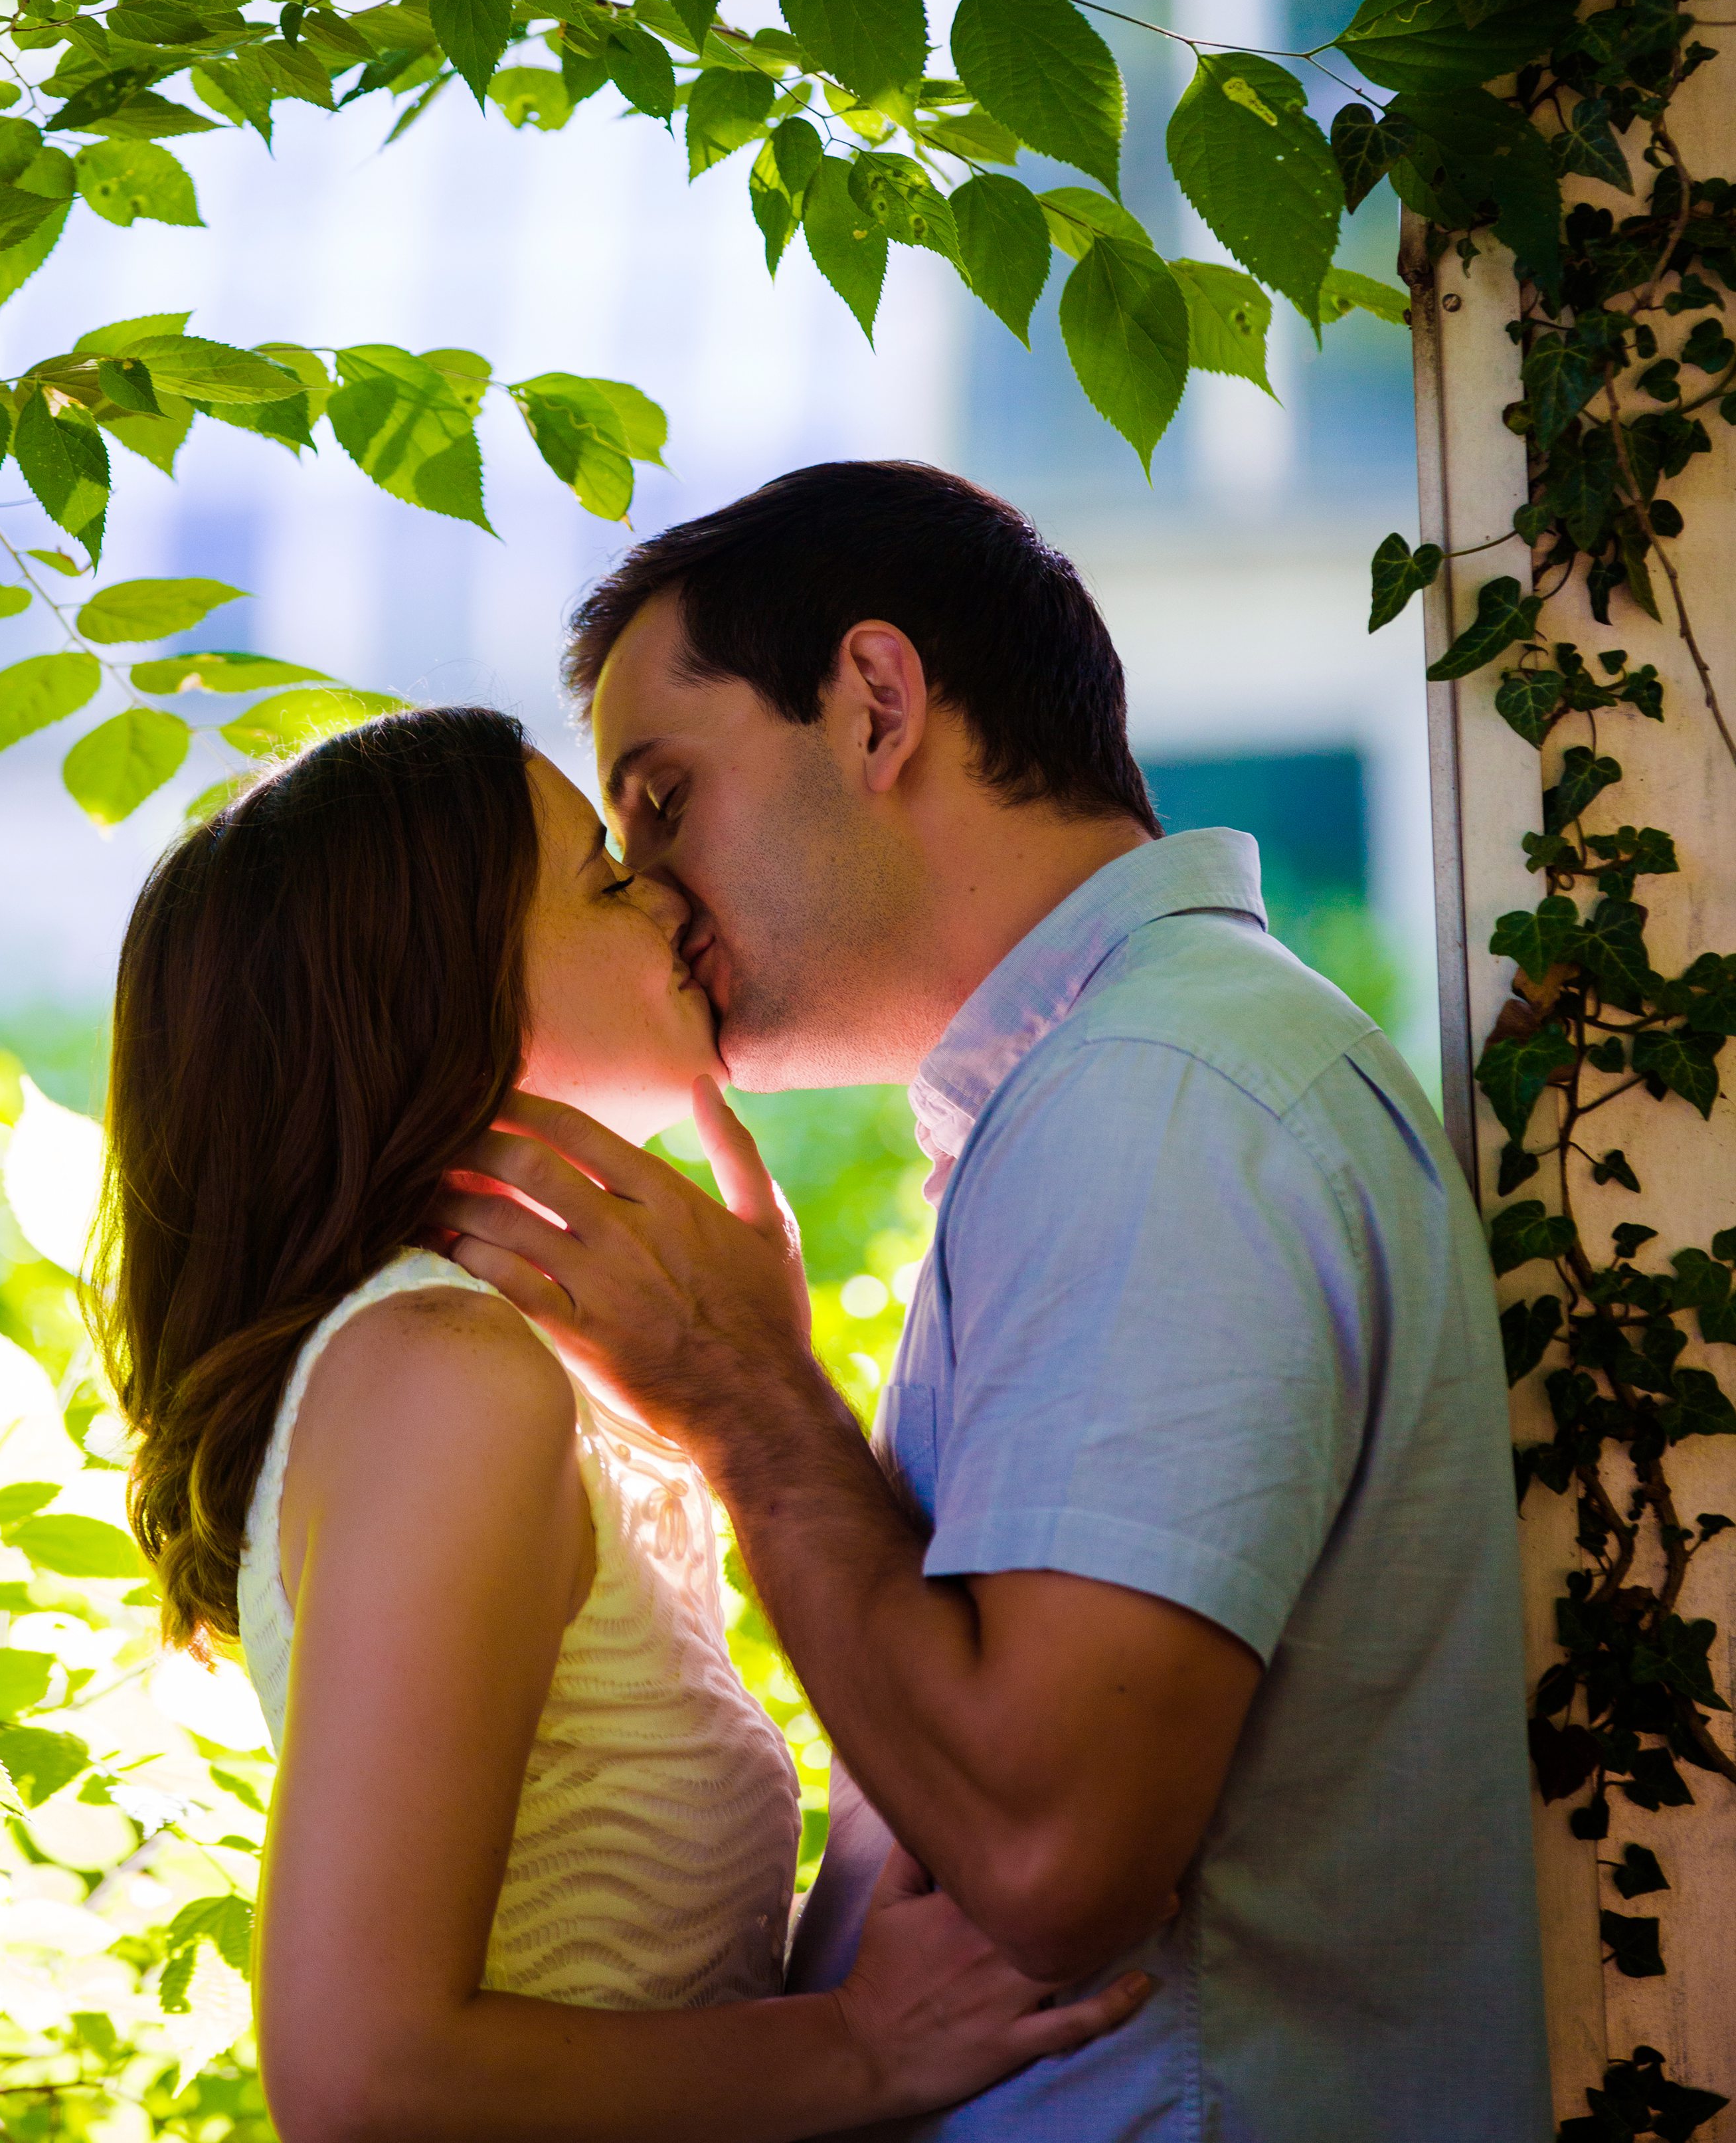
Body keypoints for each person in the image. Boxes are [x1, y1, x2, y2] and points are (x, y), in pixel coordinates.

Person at [438, 460, 1553, 2143]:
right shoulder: (1143, 1077)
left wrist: (752, 1404)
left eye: (665, 797)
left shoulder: (1161, 1094)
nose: (651, 889)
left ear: (878, 702)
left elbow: (1049, 1859)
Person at [90, 701, 1153, 2143]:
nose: (666, 890)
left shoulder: (510, 1374)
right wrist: (853, 2049)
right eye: (600, 876)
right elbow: (359, 2078)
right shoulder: (443, 1378)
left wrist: (748, 1374)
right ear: (436, 1001)